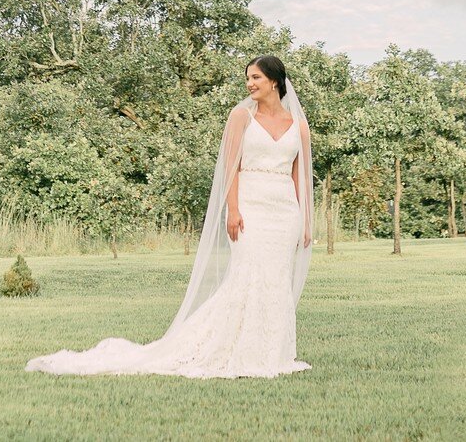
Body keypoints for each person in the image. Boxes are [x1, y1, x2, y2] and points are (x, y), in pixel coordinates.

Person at [25, 54, 314, 378]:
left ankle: (273, 355)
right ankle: (239, 350)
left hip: (284, 214)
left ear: (275, 81)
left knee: (276, 281)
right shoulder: (240, 118)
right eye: (248, 78)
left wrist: (304, 220)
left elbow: (299, 176)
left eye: (256, 78)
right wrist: (233, 210)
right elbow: (230, 169)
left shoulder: (298, 127)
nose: (249, 84)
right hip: (251, 209)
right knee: (248, 277)